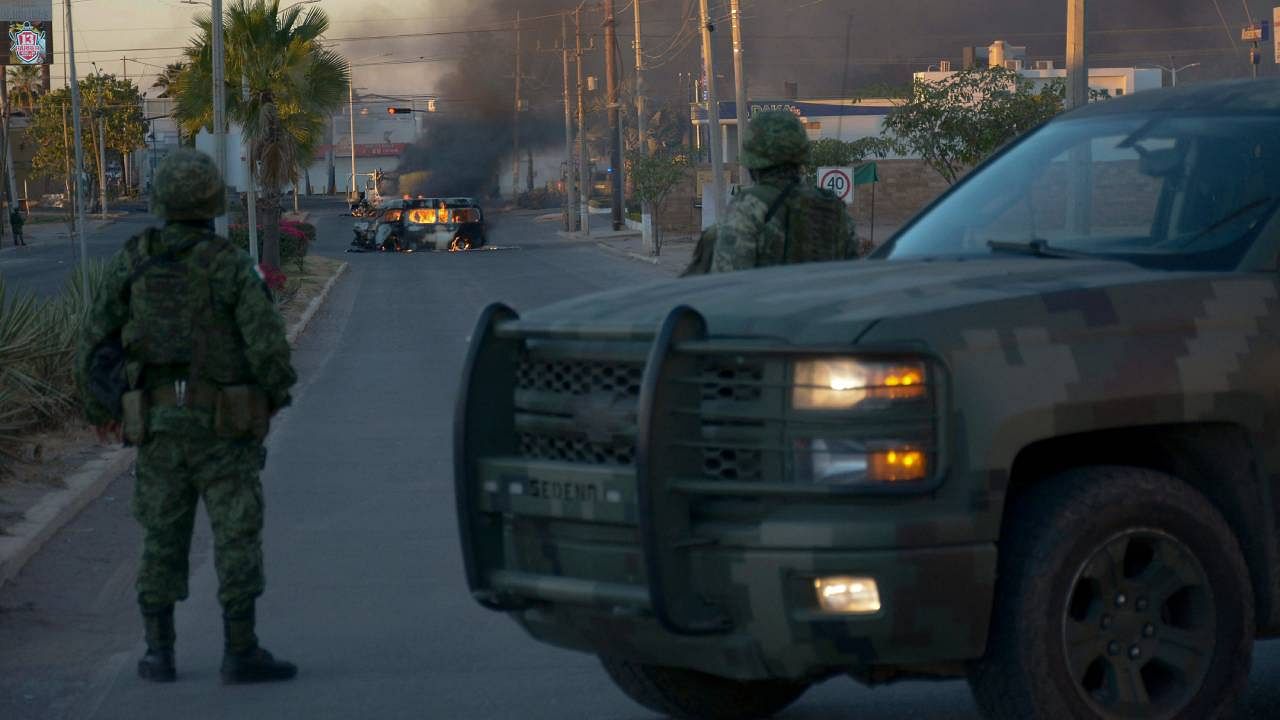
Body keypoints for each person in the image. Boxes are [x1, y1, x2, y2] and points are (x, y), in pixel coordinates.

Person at [75, 148, 299, 685]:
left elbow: (94, 340)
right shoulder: (227, 264)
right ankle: (240, 651)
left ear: (160, 201)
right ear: (211, 201)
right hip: (224, 429)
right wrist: (272, 399)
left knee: (161, 537)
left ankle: (158, 653)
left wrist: (101, 410)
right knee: (236, 535)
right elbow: (267, 344)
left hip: (157, 428)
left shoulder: (134, 259)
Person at [711, 111, 866, 273]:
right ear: (801, 158)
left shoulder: (748, 206)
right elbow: (851, 271)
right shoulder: (830, 205)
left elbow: (726, 278)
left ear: (752, 164)